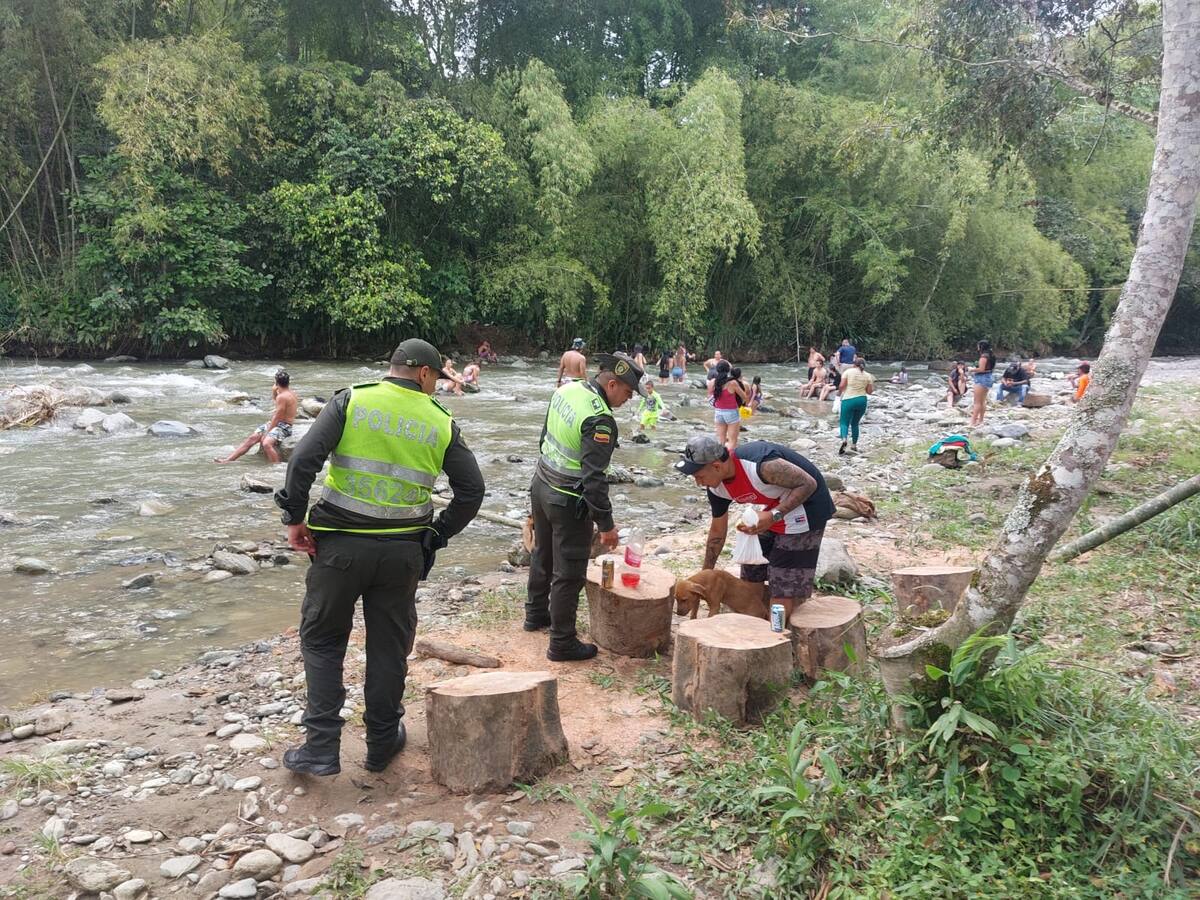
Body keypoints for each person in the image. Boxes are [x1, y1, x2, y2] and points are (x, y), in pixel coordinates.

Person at [272, 339, 484, 775]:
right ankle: (382, 742)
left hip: (338, 548)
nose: (435, 388)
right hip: (403, 553)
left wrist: (294, 519)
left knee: (323, 640)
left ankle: (320, 748)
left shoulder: (352, 400)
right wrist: (436, 536)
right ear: (424, 374)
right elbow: (472, 491)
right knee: (389, 647)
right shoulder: (441, 422)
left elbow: (304, 461)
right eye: (435, 380)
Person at [526, 352, 647, 661]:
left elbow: (544, 438)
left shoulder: (567, 388)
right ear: (611, 383)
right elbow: (593, 479)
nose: (628, 400)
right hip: (567, 500)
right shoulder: (601, 420)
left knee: (543, 552)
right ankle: (562, 642)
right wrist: (606, 526)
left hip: (541, 482)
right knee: (569, 572)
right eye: (628, 393)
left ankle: (536, 614)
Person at [676, 435, 835, 624]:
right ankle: (755, 624)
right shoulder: (716, 487)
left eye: (699, 477)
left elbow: (809, 484)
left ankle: (777, 633)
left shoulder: (761, 465)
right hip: (773, 508)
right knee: (752, 568)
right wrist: (704, 576)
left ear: (717, 466)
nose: (698, 483)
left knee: (782, 582)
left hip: (807, 508)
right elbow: (717, 530)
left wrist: (774, 515)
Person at [215, 370, 298, 464]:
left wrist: (267, 432)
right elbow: (278, 403)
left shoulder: (283, 397)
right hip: (278, 424)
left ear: (276, 382)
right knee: (252, 438)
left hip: (284, 427)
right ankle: (228, 460)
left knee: (266, 443)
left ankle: (277, 466)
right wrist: (274, 391)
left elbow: (278, 416)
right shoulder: (290, 393)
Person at [837, 357, 875, 455]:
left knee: (844, 422)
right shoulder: (868, 375)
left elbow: (841, 386)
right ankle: (854, 445)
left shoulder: (848, 372)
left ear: (854, 364)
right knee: (855, 423)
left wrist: (839, 393)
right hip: (862, 400)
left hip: (848, 399)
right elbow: (870, 392)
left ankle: (844, 439)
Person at [709, 360, 747, 449]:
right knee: (732, 441)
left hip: (718, 412)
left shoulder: (713, 382)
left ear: (717, 370)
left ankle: (721, 460)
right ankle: (730, 461)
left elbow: (710, 396)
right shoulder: (732, 383)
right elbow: (744, 396)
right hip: (731, 413)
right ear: (728, 370)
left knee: (721, 441)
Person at [969, 340, 996, 427]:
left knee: (977, 402)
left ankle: (973, 422)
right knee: (982, 401)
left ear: (981, 347)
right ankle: (980, 420)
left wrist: (971, 369)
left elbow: (981, 369)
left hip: (982, 378)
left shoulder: (984, 357)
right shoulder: (991, 355)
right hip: (988, 376)